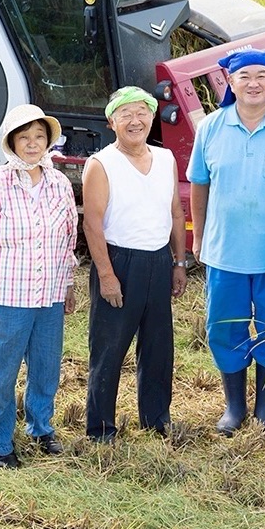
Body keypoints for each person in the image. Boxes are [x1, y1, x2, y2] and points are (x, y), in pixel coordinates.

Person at [188, 49, 265, 437]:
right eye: (244, 76)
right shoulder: (211, 127)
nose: (253, 83)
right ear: (230, 81)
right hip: (225, 253)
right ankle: (234, 406)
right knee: (225, 328)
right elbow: (199, 184)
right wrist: (199, 237)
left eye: (261, 75)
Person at [0, 104, 78, 469]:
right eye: (24, 137)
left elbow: (68, 240)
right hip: (9, 295)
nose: (32, 144)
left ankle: (41, 427)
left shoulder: (59, 184)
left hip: (49, 294)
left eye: (39, 137)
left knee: (46, 368)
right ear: (12, 142)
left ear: (48, 141)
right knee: (3, 373)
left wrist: (69, 284)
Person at [82, 86, 188, 443]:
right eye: (125, 114)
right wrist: (107, 275)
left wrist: (178, 262)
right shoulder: (101, 164)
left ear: (152, 117)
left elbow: (175, 212)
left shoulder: (165, 158)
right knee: (109, 347)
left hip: (158, 259)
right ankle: (101, 428)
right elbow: (92, 224)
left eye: (142, 112)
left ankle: (156, 418)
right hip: (120, 261)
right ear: (111, 122)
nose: (135, 120)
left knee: (158, 346)